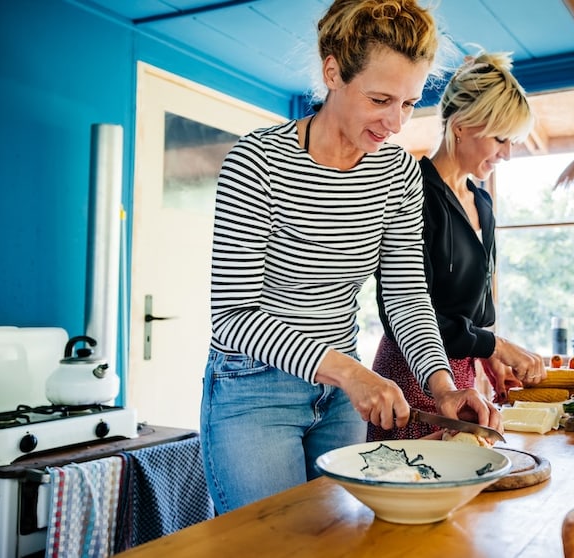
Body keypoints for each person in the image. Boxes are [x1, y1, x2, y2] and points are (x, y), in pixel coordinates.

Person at [200, 0, 500, 514]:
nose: (394, 123)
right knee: (273, 547)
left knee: (339, 540)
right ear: (333, 71)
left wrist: (443, 387)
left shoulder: (399, 174)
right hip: (254, 389)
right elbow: (232, 318)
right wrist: (350, 373)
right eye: (380, 99)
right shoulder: (256, 161)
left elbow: (407, 297)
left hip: (342, 395)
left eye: (408, 103)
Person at [369, 51, 547, 442]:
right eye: (501, 139)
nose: (507, 153)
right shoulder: (411, 190)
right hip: (411, 375)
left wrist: (486, 355)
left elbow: (474, 308)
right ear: (462, 126)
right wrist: (497, 346)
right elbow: (412, 309)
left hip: (465, 374)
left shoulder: (482, 201)